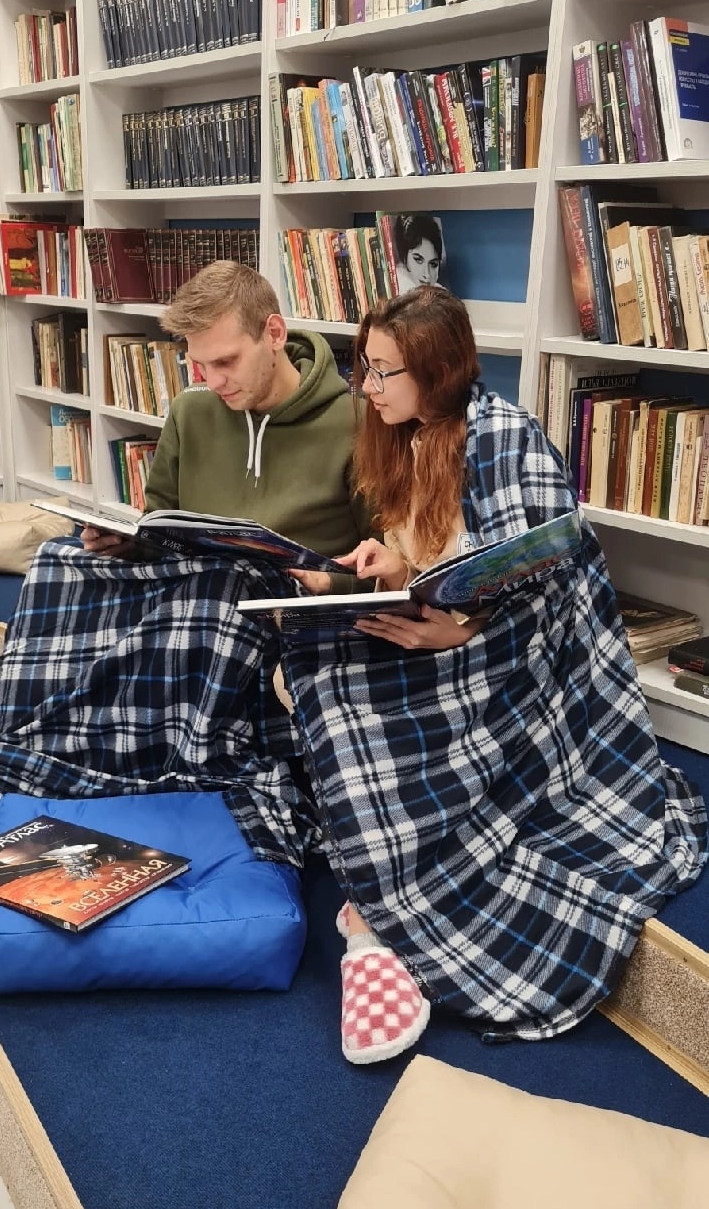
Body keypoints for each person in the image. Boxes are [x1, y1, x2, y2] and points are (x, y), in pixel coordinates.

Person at [282, 286, 708, 1065]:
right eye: (363, 367)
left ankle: (379, 914)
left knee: (353, 702)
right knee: (320, 664)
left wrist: (461, 632)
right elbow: (438, 561)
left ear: (438, 371)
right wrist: (391, 566)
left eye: (384, 371)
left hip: (521, 660)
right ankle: (383, 889)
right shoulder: (409, 436)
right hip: (445, 629)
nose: (368, 388)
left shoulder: (506, 437)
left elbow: (553, 584)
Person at [0, 263, 372, 862]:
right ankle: (1, 768)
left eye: (226, 362)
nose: (213, 380)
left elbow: (382, 554)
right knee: (56, 564)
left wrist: (328, 578)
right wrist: (126, 543)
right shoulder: (191, 411)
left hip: (283, 598)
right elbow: (160, 524)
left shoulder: (356, 422)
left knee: (226, 586)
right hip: (189, 579)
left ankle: (38, 770)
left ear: (275, 333)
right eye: (199, 365)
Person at [392, 213, 444, 292]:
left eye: (433, 264)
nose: (427, 275)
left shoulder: (441, 292)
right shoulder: (396, 285)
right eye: (418, 260)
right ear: (405, 258)